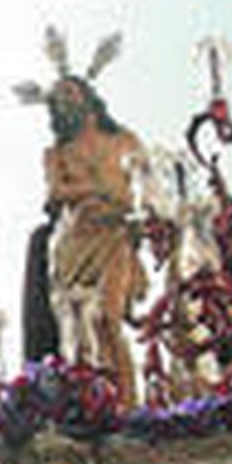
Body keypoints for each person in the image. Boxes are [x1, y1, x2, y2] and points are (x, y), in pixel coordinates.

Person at [33, 69, 146, 406]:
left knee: (107, 319)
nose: (65, 102)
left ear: (88, 96)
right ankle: (93, 404)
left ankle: (129, 405)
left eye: (70, 93)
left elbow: (142, 185)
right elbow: (54, 193)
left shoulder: (124, 140)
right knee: (80, 331)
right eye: (58, 99)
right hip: (74, 242)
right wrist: (102, 191)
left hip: (114, 235)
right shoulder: (56, 153)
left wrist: (119, 202)